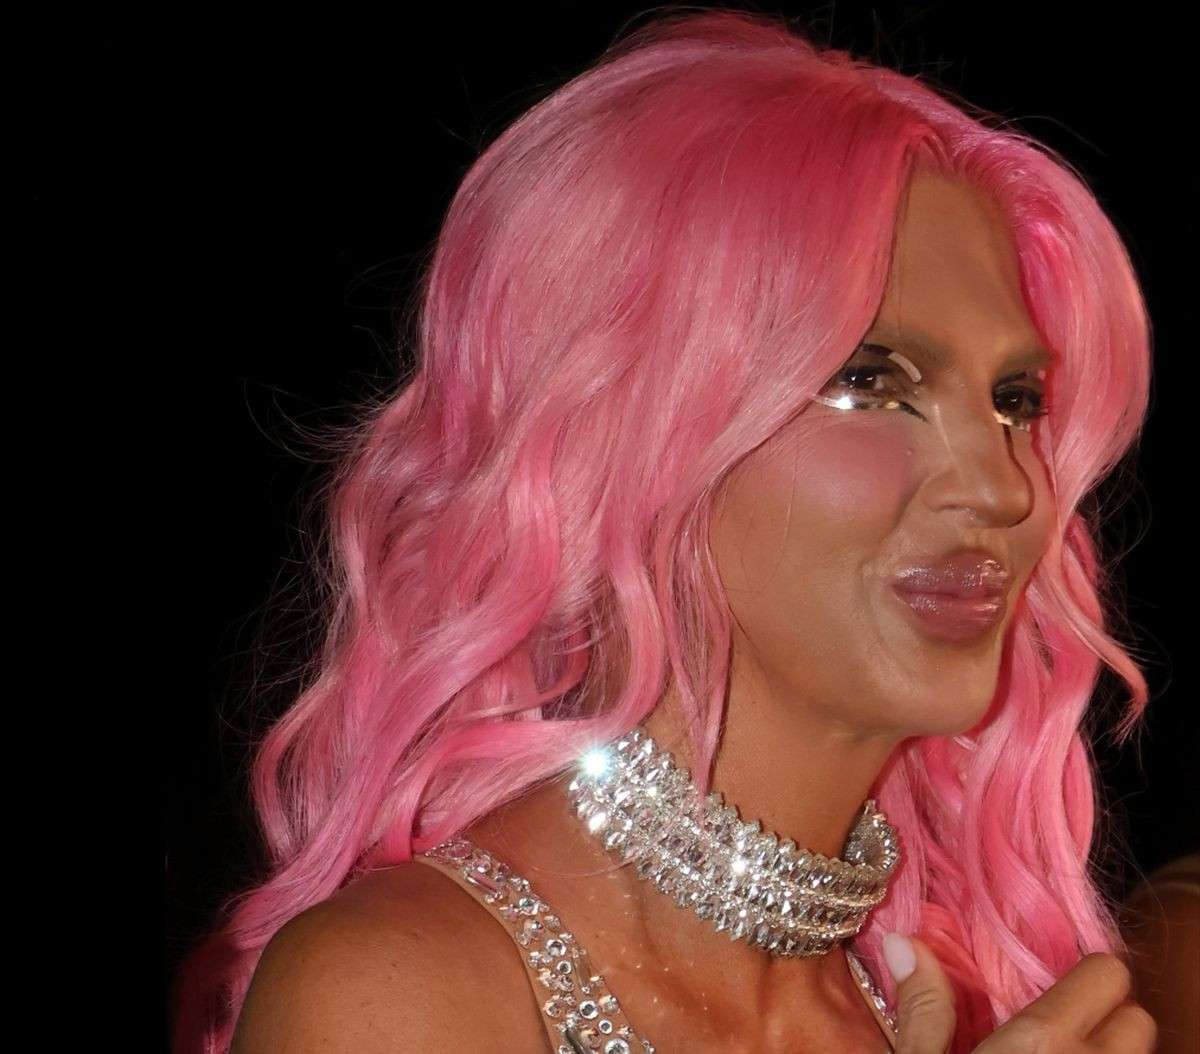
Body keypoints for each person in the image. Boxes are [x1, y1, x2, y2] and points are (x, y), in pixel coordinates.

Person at [173, 10, 1159, 1053]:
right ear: (629, 435)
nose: (1004, 490)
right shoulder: (399, 992)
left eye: (1015, 401)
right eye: (871, 382)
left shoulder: (968, 1002)